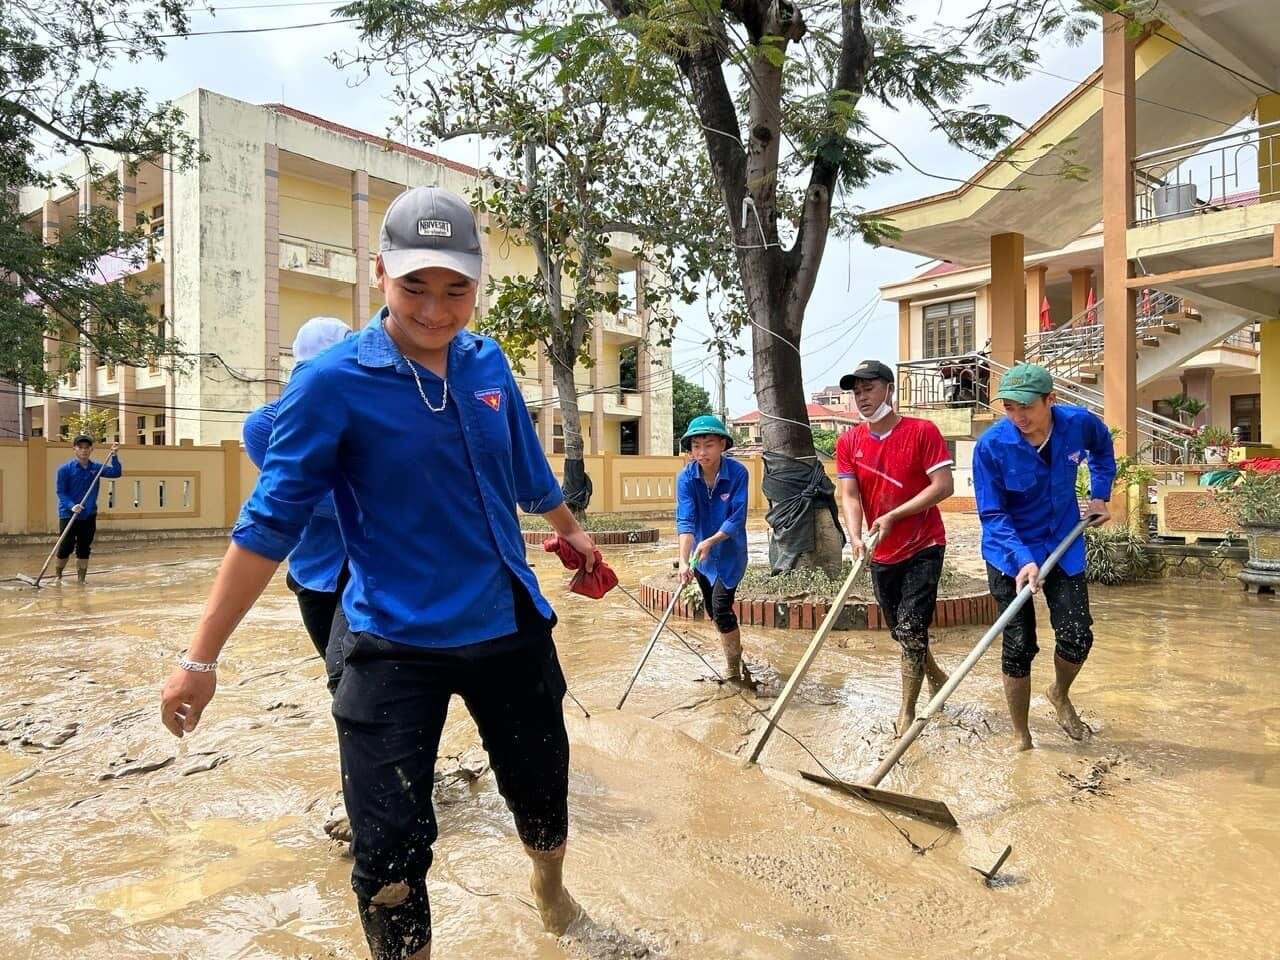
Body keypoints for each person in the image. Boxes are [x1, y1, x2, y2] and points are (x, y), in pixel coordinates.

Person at [160, 185, 598, 959]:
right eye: (415, 287)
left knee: (544, 801)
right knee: (388, 856)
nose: (436, 309)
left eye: (456, 289)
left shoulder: (486, 361)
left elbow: (527, 471)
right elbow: (268, 525)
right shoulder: (330, 384)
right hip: (391, 640)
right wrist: (200, 659)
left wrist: (572, 532)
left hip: (506, 622)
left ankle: (549, 888)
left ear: (477, 282)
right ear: (379, 275)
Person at [973, 362, 1114, 752]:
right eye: (1009, 407)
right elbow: (993, 513)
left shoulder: (1079, 424)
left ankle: (1059, 693)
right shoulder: (992, 446)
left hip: (1062, 542)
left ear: (1050, 400)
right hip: (1009, 551)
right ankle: (1021, 736)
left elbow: (1102, 450)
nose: (1018, 416)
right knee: (1019, 645)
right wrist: (1022, 559)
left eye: (1026, 407)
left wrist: (1100, 494)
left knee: (1076, 634)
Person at [834, 360, 954, 735]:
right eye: (857, 392)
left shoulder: (922, 431)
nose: (862, 398)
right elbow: (850, 495)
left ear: (889, 389)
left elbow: (943, 486)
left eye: (869, 389)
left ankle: (907, 712)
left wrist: (894, 515)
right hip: (880, 549)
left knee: (912, 626)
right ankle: (934, 674)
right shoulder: (849, 442)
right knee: (901, 632)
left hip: (924, 543)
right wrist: (855, 536)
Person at [242, 316, 353, 664]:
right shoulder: (266, 424)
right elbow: (301, 496)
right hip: (315, 571)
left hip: (374, 565)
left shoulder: (368, 416)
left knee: (350, 672)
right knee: (340, 678)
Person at [675, 414, 752, 684]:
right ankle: (736, 655)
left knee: (721, 608)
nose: (702, 452)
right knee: (712, 610)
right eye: (696, 446)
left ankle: (732, 671)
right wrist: (684, 561)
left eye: (708, 445)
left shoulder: (739, 473)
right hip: (702, 559)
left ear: (722, 444)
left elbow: (737, 517)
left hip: (730, 554)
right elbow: (686, 519)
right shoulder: (686, 478)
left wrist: (710, 541)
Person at [54, 435, 123, 583]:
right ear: (74, 449)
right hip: (68, 514)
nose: (84, 450)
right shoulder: (64, 470)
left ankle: (81, 581)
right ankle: (58, 576)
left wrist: (114, 455)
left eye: (87, 447)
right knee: (66, 546)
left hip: (88, 514)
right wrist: (72, 506)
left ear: (91, 449)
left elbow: (116, 473)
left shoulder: (96, 468)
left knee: (84, 547)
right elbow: (61, 492)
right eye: (80, 447)